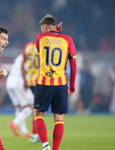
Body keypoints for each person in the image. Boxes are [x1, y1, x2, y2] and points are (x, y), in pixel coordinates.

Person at [34, 14, 77, 150]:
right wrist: (71, 86)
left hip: (44, 83)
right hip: (61, 84)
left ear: (45, 27)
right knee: (59, 118)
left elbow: (44, 47)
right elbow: (73, 64)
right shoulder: (68, 39)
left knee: (38, 114)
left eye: (42, 28)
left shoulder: (40, 37)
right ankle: (55, 149)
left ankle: (45, 145)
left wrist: (54, 33)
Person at [6, 54, 34, 138]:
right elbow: (28, 70)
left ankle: (24, 132)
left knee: (19, 107)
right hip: (19, 82)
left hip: (10, 82)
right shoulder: (33, 56)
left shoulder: (20, 56)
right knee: (32, 105)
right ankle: (14, 123)